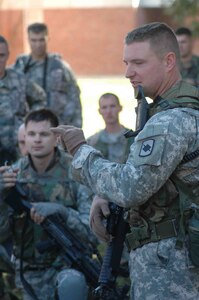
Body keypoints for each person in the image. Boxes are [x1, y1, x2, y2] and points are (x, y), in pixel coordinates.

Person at [51, 22, 199, 299]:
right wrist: (105, 195)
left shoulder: (169, 121)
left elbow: (132, 188)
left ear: (169, 61)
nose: (128, 73)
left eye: (138, 63)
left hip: (170, 270)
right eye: (126, 62)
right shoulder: (176, 110)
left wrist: (80, 150)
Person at [0, 109, 95, 300]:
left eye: (44, 134)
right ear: (24, 138)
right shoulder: (11, 177)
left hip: (66, 268)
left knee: (73, 284)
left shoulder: (75, 172)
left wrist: (63, 212)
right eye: (31, 134)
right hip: (25, 272)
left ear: (56, 139)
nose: (37, 140)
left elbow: (93, 234)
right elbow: (2, 234)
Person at [13, 22, 82, 127]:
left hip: (56, 126)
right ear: (28, 40)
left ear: (48, 39)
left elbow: (74, 98)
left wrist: (75, 128)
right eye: (34, 40)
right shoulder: (20, 67)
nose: (38, 45)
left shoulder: (60, 67)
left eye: (41, 40)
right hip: (28, 127)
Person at [0, 35, 46, 165]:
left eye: (1, 55)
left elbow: (40, 98)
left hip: (19, 149)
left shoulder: (19, 79)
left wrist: (30, 122)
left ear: (8, 55)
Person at [87, 92, 133, 163]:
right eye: (104, 107)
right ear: (100, 111)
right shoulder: (92, 142)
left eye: (112, 106)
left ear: (120, 108)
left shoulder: (132, 138)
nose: (108, 111)